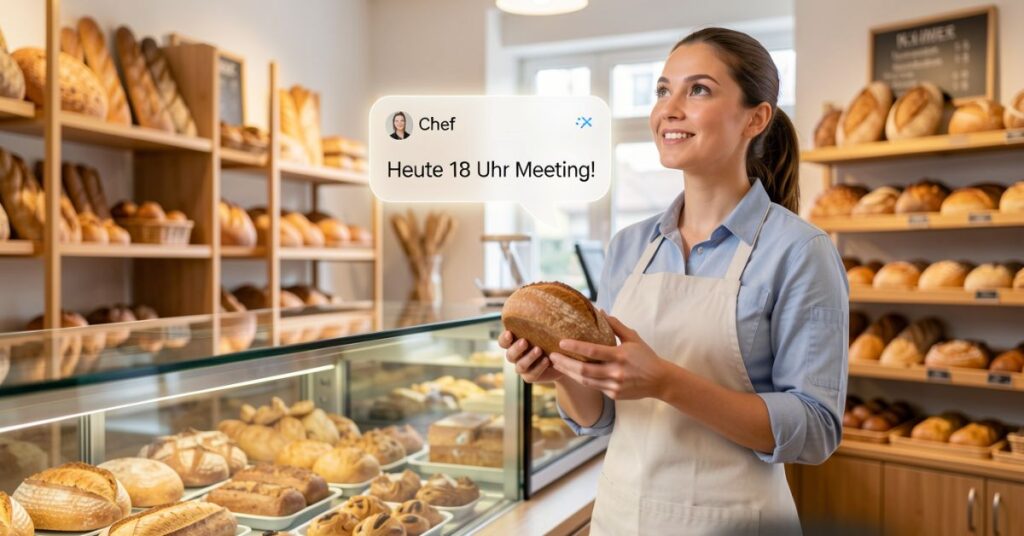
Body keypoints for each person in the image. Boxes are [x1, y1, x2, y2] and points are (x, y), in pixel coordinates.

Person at [499, 27, 848, 535]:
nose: (670, 108)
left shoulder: (800, 252)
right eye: (663, 90)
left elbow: (816, 429)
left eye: (698, 89)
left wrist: (666, 381)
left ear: (757, 117)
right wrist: (562, 375)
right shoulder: (629, 246)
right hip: (622, 517)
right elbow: (603, 420)